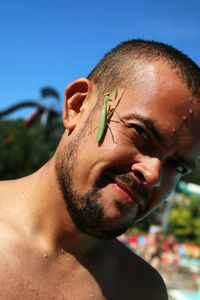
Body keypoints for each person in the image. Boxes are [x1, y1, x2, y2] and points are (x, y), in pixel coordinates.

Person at [0, 39, 200, 300]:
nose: (153, 175)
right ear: (77, 105)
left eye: (178, 165)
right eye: (140, 133)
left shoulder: (144, 291)